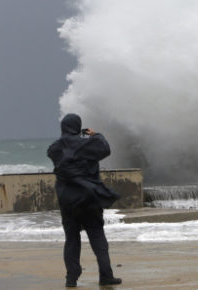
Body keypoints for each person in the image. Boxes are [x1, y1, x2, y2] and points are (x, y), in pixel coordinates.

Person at [47, 113, 122, 288]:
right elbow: (105, 149)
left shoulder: (55, 148)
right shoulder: (88, 144)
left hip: (67, 202)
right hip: (89, 199)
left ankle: (71, 279)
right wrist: (95, 134)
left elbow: (52, 152)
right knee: (97, 237)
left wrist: (67, 140)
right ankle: (106, 276)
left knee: (71, 240)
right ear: (78, 126)